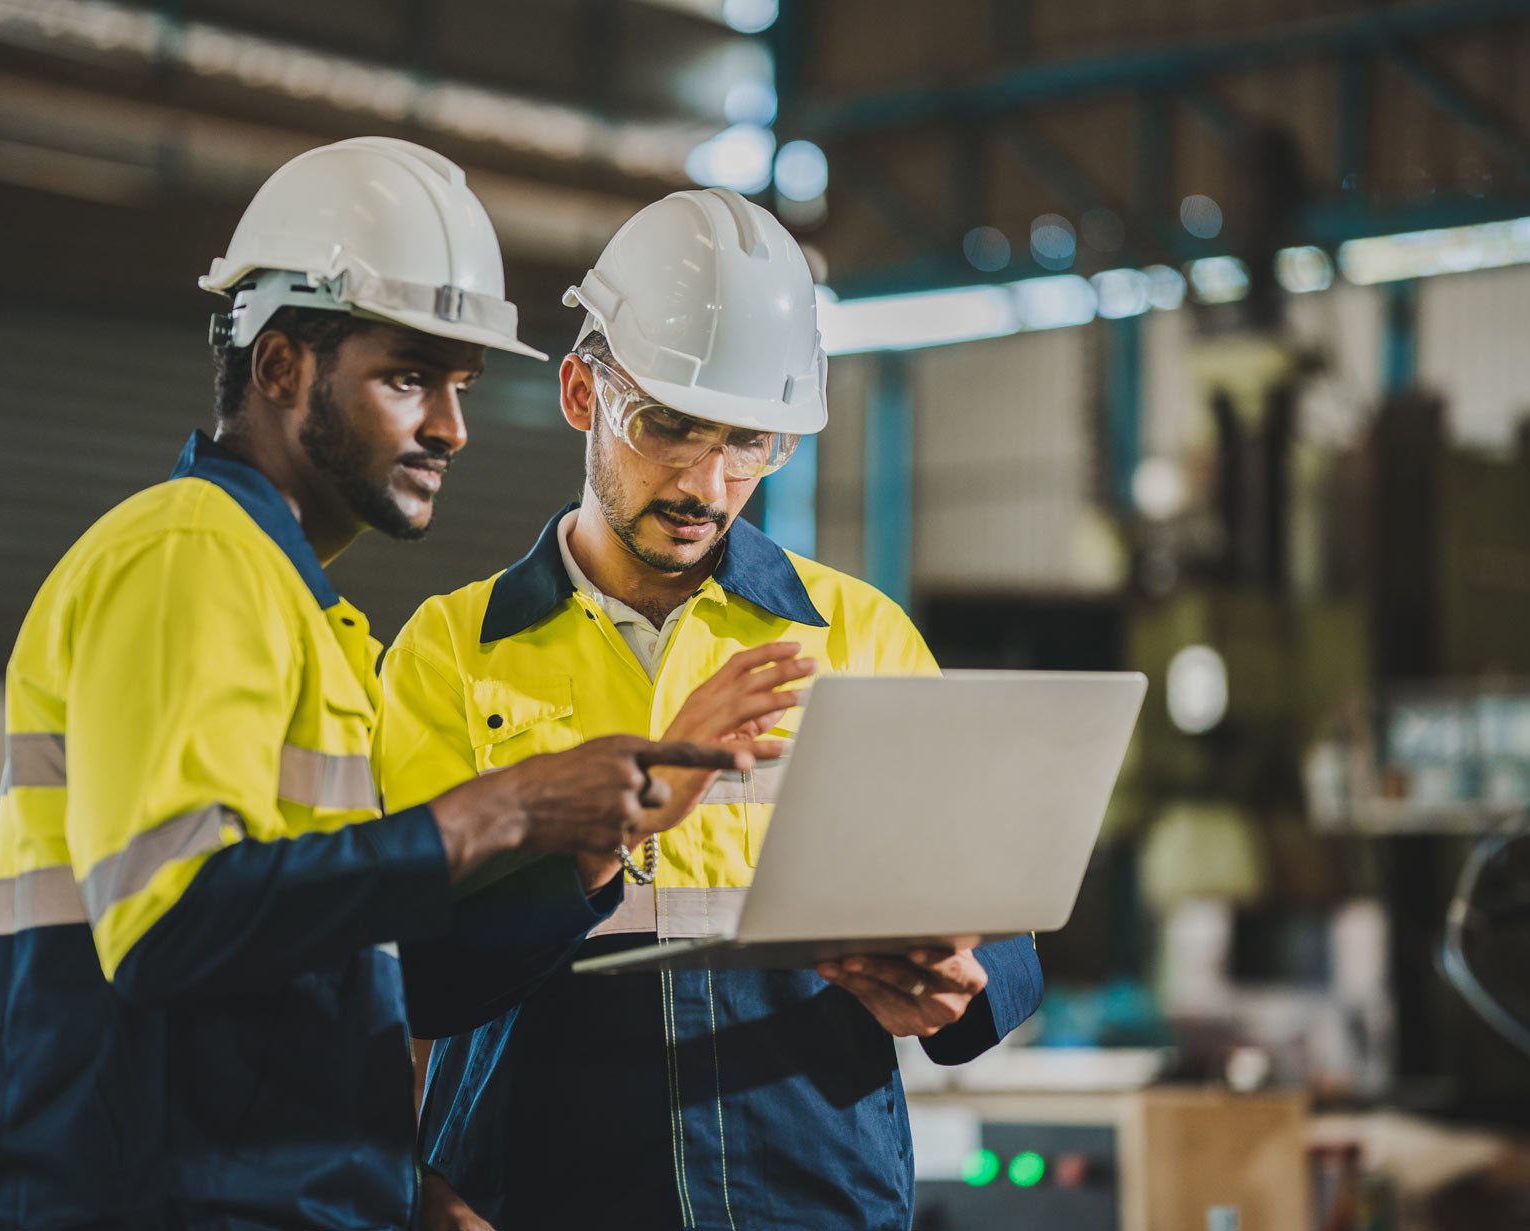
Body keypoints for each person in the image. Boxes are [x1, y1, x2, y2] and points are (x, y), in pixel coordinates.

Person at [0, 137, 755, 1231]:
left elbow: (317, 967)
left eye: (460, 385)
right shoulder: (191, 553)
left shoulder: (307, 615)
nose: (451, 427)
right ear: (280, 365)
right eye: (408, 377)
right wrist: (511, 805)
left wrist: (399, 1188)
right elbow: (171, 924)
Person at [378, 187, 1044, 1231]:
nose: (707, 480)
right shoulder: (450, 654)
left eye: (751, 442)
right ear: (579, 392)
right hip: (535, 1201)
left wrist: (963, 987)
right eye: (668, 426)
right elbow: (411, 970)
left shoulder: (857, 636)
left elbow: (1001, 930)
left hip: (813, 1203)